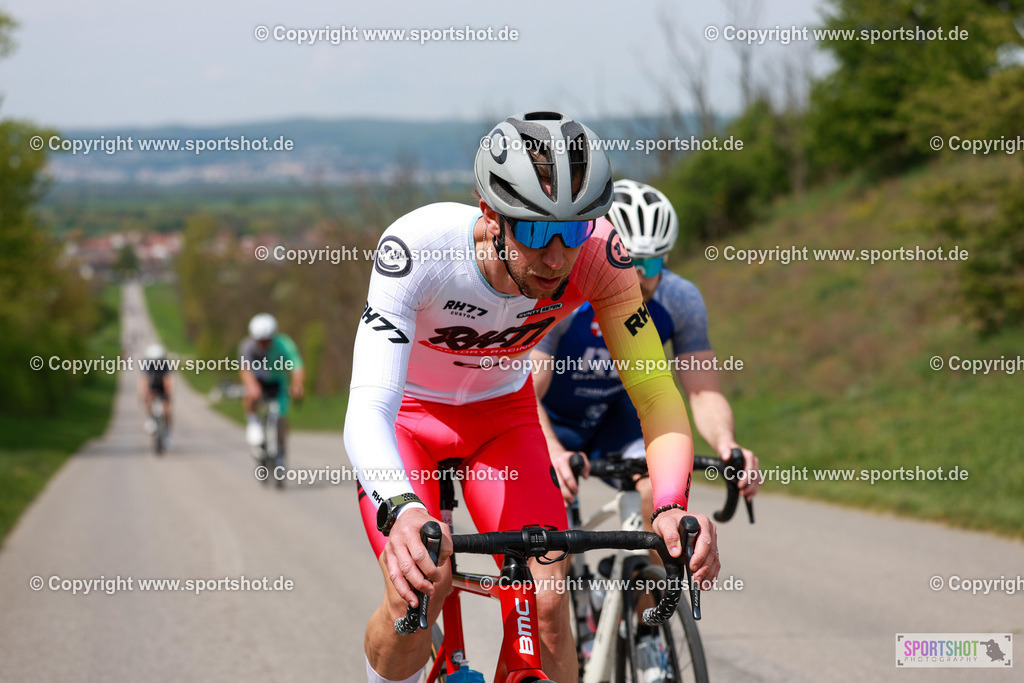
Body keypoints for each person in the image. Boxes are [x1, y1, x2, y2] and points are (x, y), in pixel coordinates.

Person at [343, 112, 721, 683]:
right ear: (491, 215)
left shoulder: (600, 257)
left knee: (548, 602)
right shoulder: (419, 248)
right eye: (538, 232)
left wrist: (670, 504)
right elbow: (369, 405)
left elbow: (655, 395)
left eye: (572, 231)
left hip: (501, 419)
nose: (555, 258)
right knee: (419, 592)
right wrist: (401, 508)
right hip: (408, 422)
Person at [532, 179, 761, 523]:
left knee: (661, 497)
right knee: (554, 538)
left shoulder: (679, 300)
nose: (636, 276)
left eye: (650, 265)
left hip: (614, 419)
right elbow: (526, 390)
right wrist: (552, 449)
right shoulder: (565, 295)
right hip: (549, 422)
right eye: (626, 260)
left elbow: (702, 393)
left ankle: (651, 575)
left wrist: (727, 444)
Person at [239, 313, 305, 461]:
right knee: (250, 394)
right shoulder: (247, 346)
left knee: (281, 417)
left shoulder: (284, 344)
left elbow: (297, 366)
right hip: (258, 382)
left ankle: (280, 447)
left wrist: (297, 384)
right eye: (259, 341)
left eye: (267, 340)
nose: (263, 344)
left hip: (277, 382)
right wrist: (252, 386)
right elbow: (245, 370)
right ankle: (254, 422)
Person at [138, 343, 173, 443]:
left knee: (167, 410)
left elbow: (169, 380)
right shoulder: (147, 365)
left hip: (163, 386)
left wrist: (168, 395)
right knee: (148, 398)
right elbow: (143, 380)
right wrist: (143, 393)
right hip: (152, 386)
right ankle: (150, 418)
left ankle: (167, 432)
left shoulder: (166, 366)